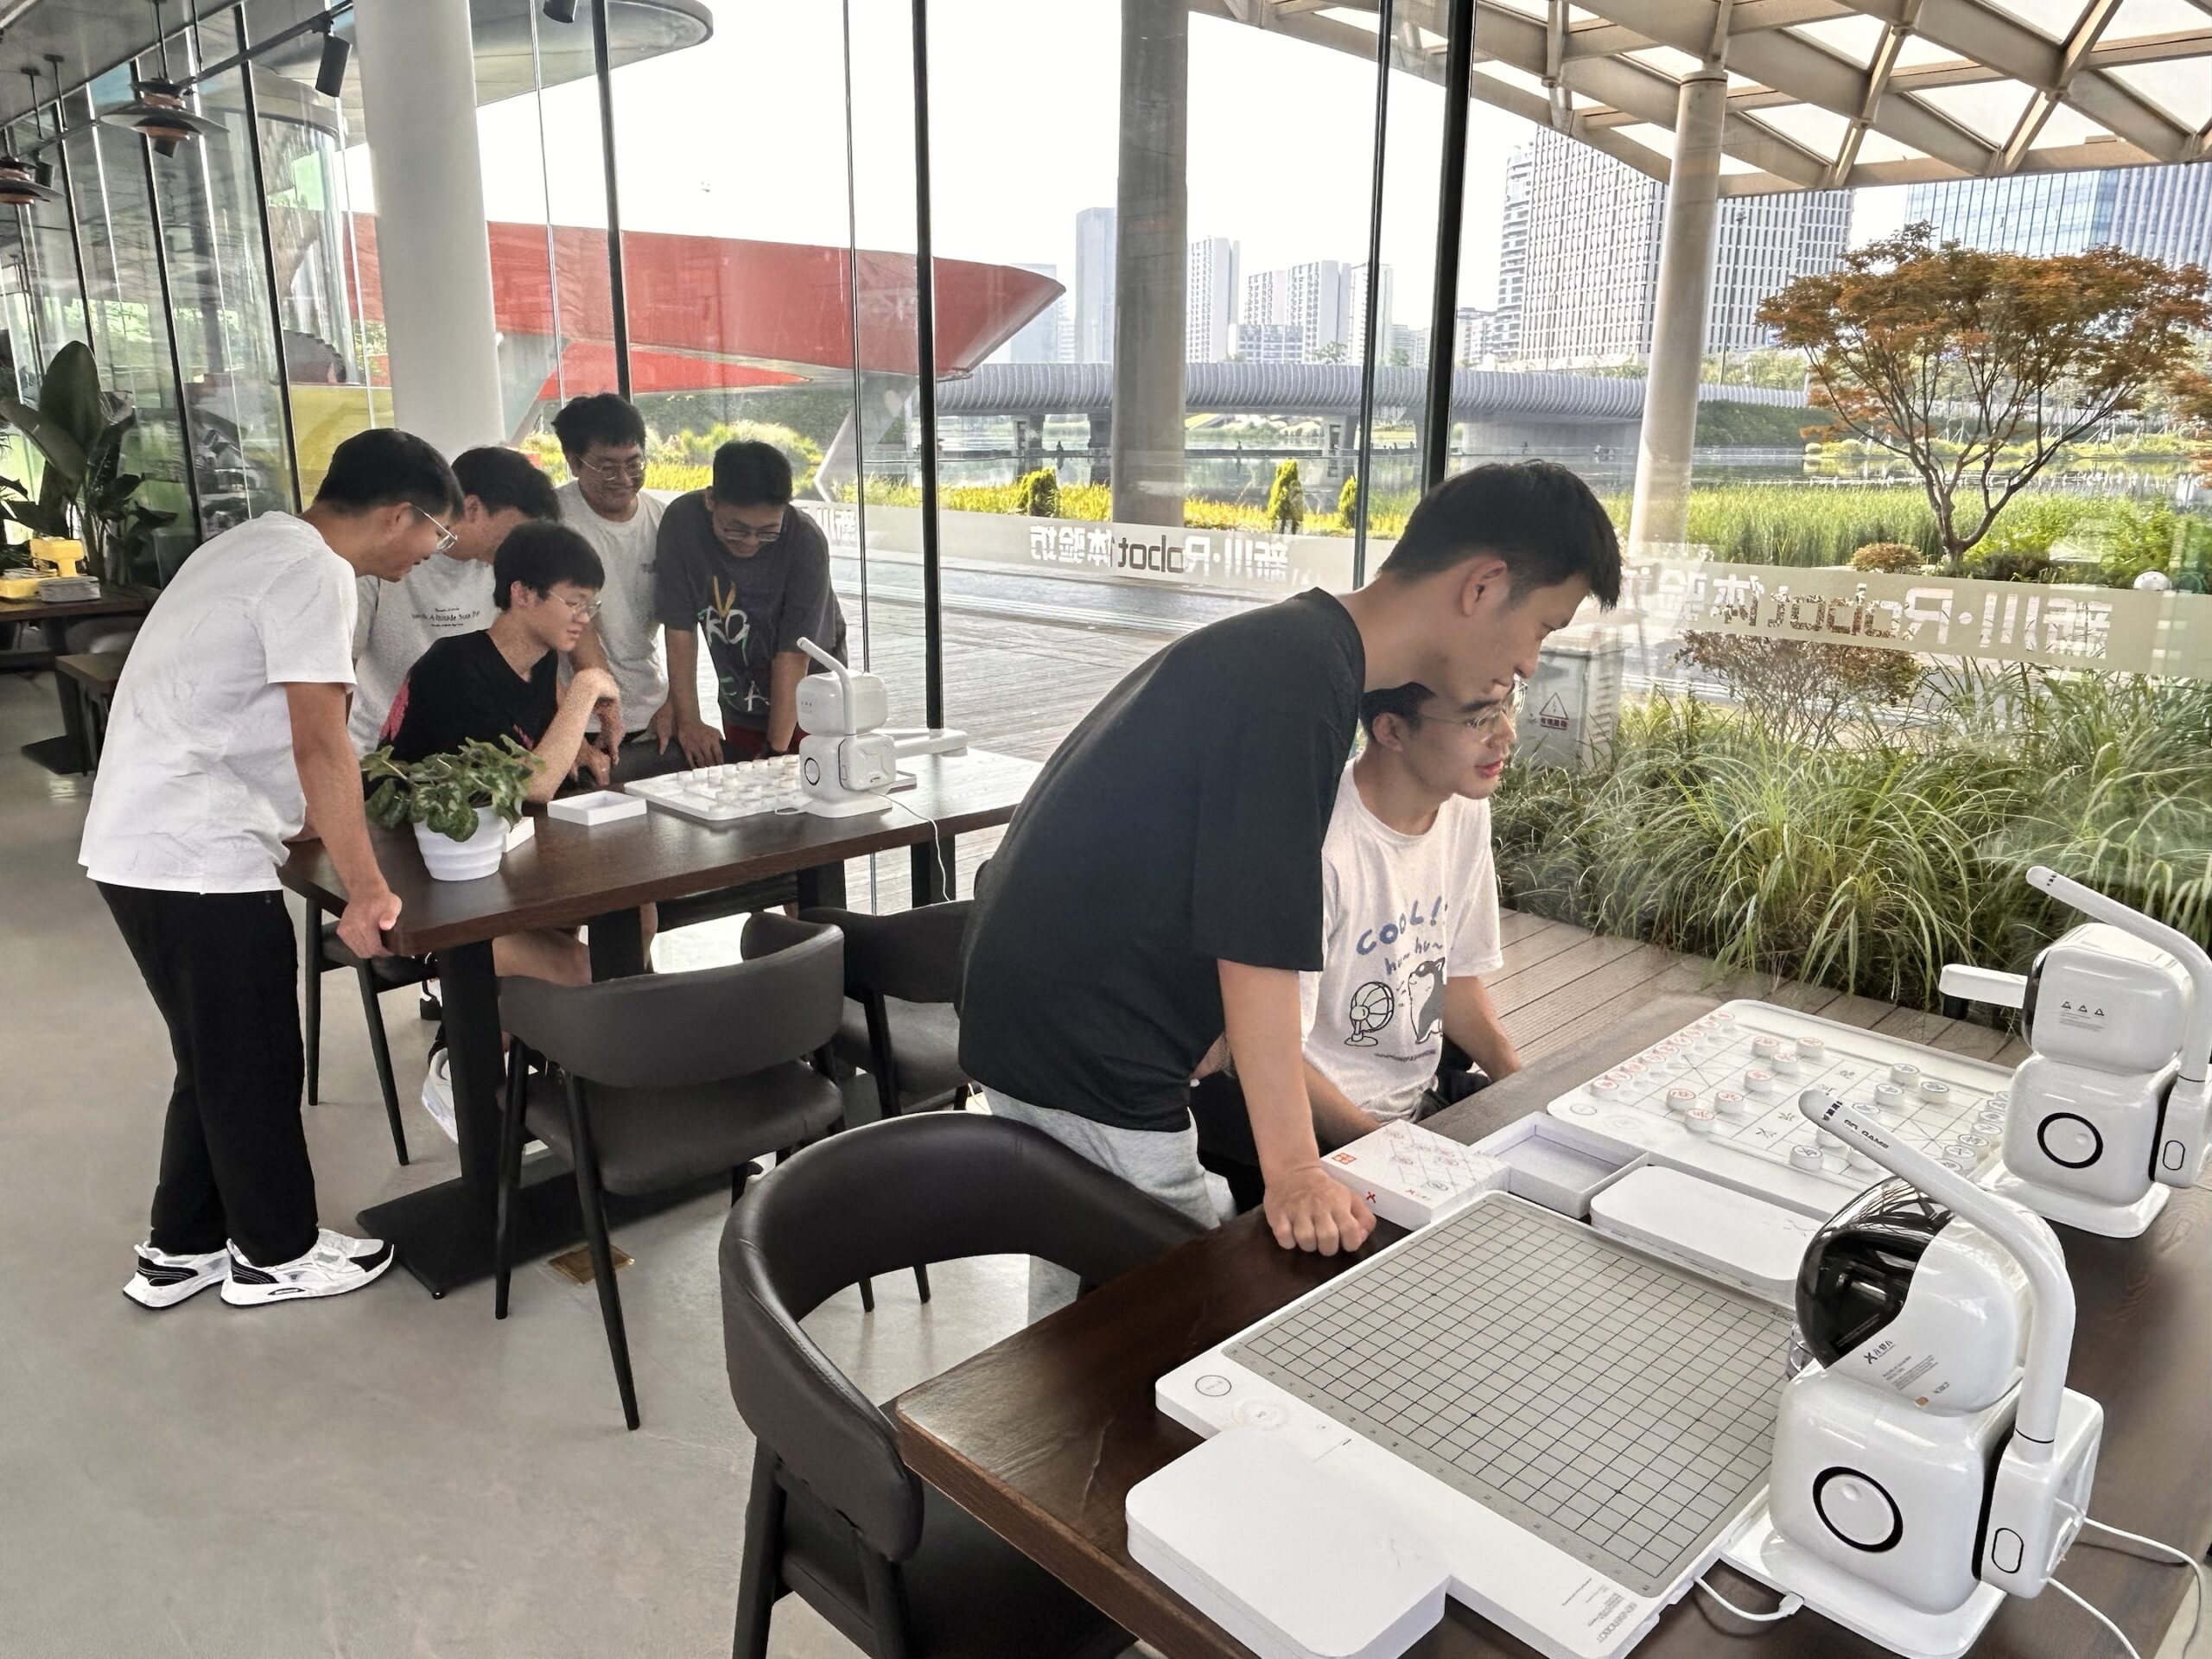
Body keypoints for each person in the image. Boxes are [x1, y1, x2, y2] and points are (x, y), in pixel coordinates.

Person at [959, 461, 1620, 1318]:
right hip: (1088, 1045)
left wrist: (1200, 1024)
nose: (1529, 663)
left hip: (1045, 1011)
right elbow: (1257, 944)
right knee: (1197, 1288)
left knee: (1088, 1272)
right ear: (1483, 585)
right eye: (1541, 626)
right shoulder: (1297, 680)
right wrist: (1296, 1172)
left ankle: (1039, 1405)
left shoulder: (1295, 651)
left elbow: (1174, 864)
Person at [80, 427, 462, 1311]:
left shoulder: (253, 542)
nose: (429, 554)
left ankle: (183, 1248)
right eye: (434, 535)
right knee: (252, 1058)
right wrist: (367, 887)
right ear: (399, 514)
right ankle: (275, 1252)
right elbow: (320, 739)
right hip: (195, 852)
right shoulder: (315, 571)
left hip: (141, 841)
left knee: (214, 1058)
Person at [1192, 682, 1523, 1211]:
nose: (1506, 734)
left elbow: (1453, 975)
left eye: (1507, 708)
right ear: (1391, 729)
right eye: (1478, 718)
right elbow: (1265, 1049)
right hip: (1310, 1135)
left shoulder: (1462, 808)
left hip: (1416, 1103)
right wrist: (1390, 1154)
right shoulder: (1317, 846)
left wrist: (1523, 1087)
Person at [380, 521, 628, 988]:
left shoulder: (539, 662)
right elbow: (530, 785)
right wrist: (589, 684)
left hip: (496, 862)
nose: (583, 617)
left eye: (589, 605)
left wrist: (582, 745)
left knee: (637, 916)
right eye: (573, 602)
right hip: (424, 883)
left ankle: (543, 1053)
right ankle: (462, 1051)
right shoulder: (454, 668)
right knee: (585, 968)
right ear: (523, 593)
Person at [348, 445, 561, 753]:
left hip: (478, 755)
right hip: (385, 755)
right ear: (472, 507)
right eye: (513, 533)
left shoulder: (507, 569)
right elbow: (341, 671)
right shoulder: (382, 562)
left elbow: (533, 658)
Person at [655, 439, 847, 765]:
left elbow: (793, 655)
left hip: (814, 703)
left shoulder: (805, 541)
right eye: (736, 530)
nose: (751, 542)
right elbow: (679, 629)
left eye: (768, 531)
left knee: (807, 793)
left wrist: (775, 750)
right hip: (740, 700)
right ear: (710, 500)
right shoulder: (682, 523)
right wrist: (689, 722)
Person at [553, 393, 677, 779]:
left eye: (634, 463)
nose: (624, 480)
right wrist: (571, 728)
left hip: (653, 712)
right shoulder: (552, 519)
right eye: (607, 467)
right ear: (573, 461)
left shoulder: (666, 522)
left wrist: (677, 702)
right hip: (575, 720)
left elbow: (684, 622)